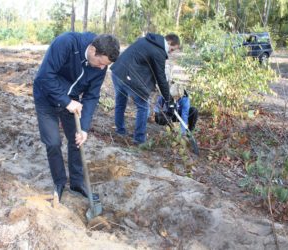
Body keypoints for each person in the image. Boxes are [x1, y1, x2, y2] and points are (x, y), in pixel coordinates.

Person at [34, 32, 119, 202]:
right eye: (101, 63)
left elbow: (92, 96)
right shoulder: (66, 43)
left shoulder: (101, 65)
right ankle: (59, 182)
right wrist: (66, 101)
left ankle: (77, 182)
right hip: (46, 97)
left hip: (71, 101)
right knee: (53, 143)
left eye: (106, 65)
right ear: (93, 50)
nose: (102, 68)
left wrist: (85, 128)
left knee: (77, 140)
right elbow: (45, 76)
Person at [111, 33, 180, 144]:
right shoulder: (159, 51)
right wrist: (168, 100)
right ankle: (139, 140)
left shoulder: (146, 40)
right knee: (143, 107)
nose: (170, 53)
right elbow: (160, 77)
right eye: (172, 50)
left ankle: (120, 131)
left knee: (120, 103)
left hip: (117, 72)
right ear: (169, 42)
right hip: (128, 77)